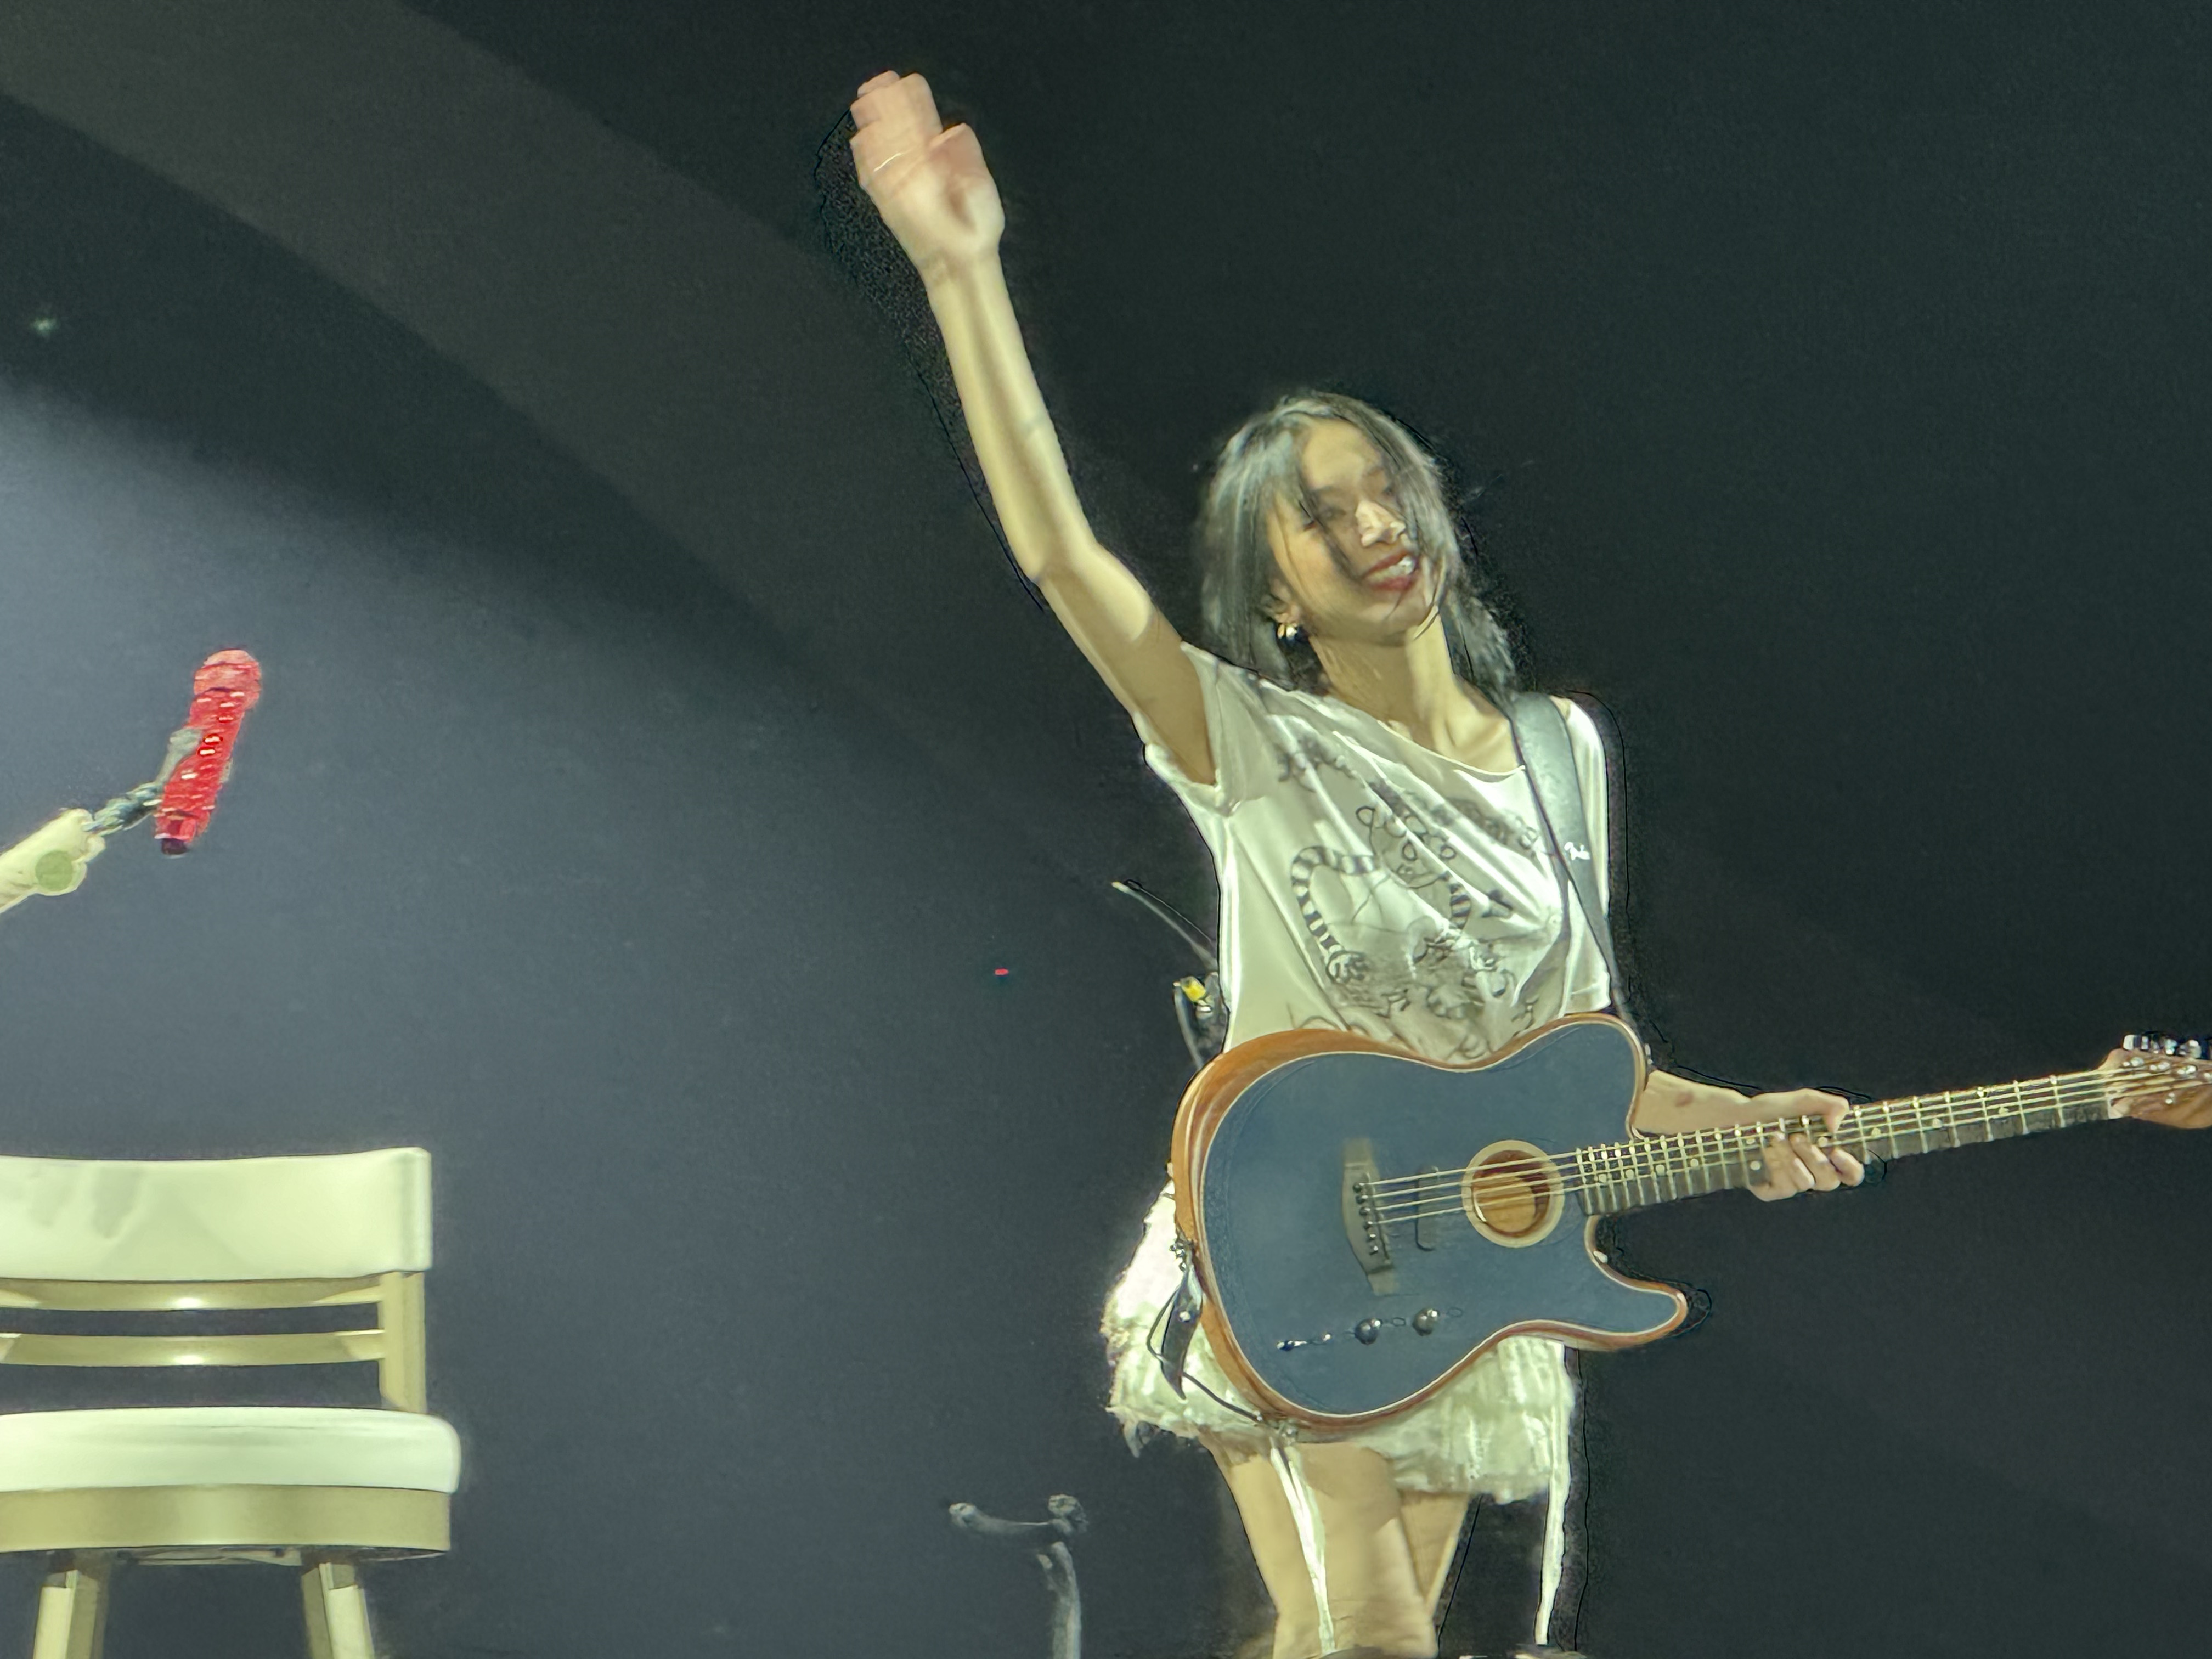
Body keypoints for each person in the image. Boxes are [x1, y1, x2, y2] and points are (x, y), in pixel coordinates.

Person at [844, 69, 2209, 1659]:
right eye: (1322, 517)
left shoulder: (1562, 754)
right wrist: (961, 270)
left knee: (1343, 1645)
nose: (1374, 527)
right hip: (1283, 1236)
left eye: (1386, 492)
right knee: (1374, 1639)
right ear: (1274, 592)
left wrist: (1744, 1121)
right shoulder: (1249, 741)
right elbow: (1061, 556)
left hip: (1458, 1275)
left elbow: (1576, 1056)